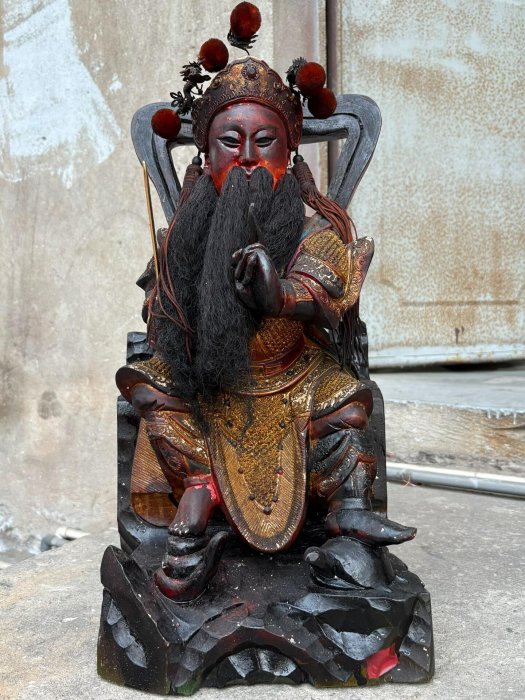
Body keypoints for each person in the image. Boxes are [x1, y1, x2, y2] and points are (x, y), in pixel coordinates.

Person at [116, 56, 415, 601]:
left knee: (347, 403)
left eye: (266, 141)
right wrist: (178, 296)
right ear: (207, 156)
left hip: (294, 376)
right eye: (231, 142)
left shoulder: (314, 232)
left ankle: (348, 514)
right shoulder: (181, 238)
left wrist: (279, 298)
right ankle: (199, 486)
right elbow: (160, 314)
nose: (249, 158)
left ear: (289, 152)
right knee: (148, 387)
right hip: (209, 384)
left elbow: (325, 293)